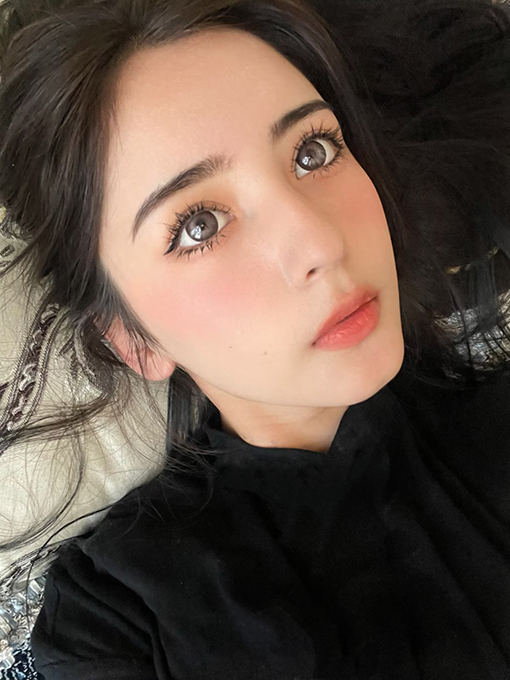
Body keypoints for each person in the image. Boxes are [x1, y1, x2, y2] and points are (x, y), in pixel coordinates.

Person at [1, 0, 510, 677]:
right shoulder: (115, 616)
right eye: (200, 225)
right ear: (135, 340)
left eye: (313, 151)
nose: (321, 244)